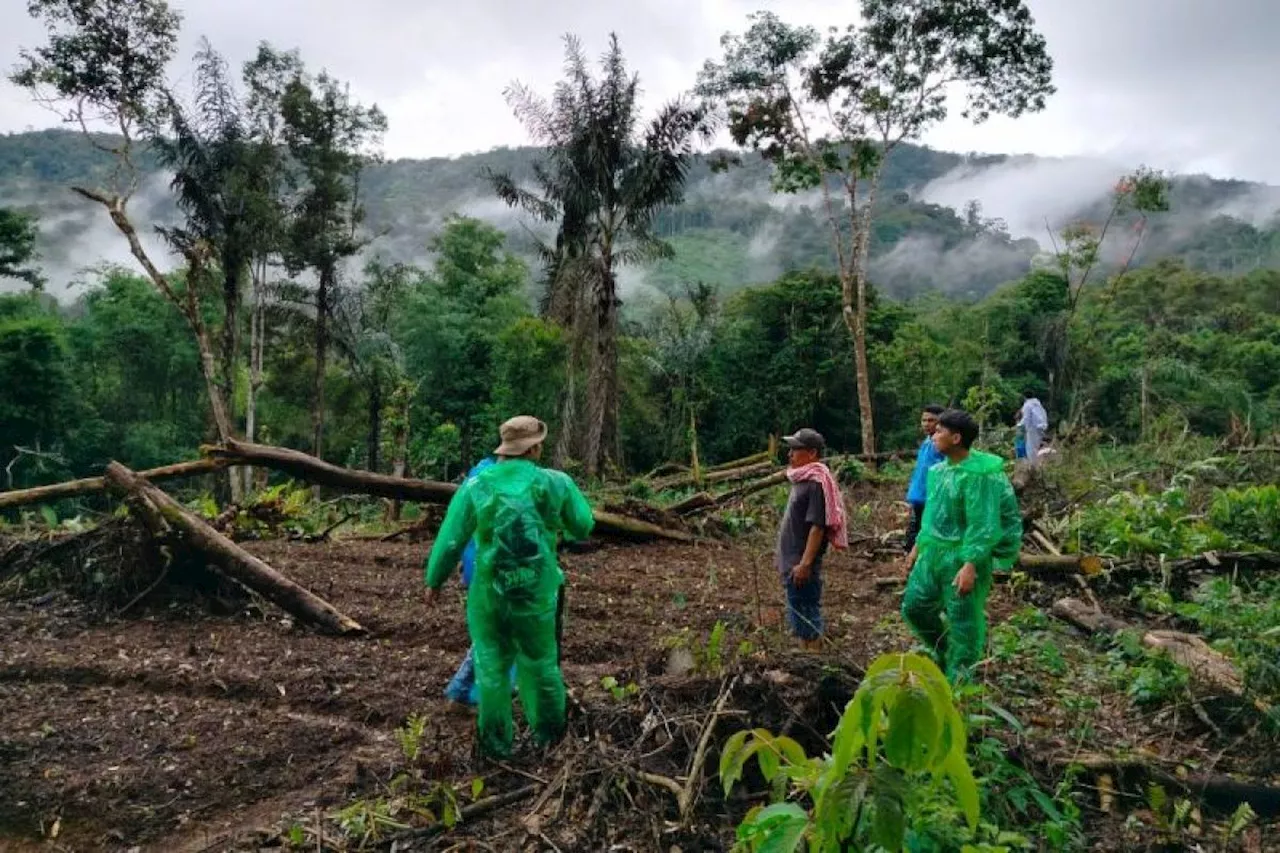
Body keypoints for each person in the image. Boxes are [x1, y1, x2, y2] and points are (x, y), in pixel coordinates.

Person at [423, 416, 594, 759]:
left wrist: (434, 580)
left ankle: (495, 745)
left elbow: (452, 538)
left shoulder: (477, 486)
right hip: (537, 594)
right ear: (534, 448)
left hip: (490, 596)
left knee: (491, 665)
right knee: (542, 662)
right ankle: (550, 740)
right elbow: (583, 525)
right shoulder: (554, 483)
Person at [901, 409, 1022, 683]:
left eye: (940, 431)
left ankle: (959, 684)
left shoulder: (980, 477)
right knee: (914, 607)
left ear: (956, 438)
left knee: (963, 621)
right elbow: (932, 514)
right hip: (934, 553)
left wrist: (970, 563)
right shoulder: (939, 472)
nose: (934, 434)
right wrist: (918, 547)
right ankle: (945, 651)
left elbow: (983, 524)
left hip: (964, 557)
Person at [443, 455, 515, 707]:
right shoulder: (508, 479)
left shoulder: (479, 473)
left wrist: (463, 558)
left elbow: (463, 525)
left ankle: (464, 691)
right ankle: (471, 694)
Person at [775, 428, 849, 650]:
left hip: (801, 562)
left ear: (812, 453)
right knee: (799, 611)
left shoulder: (817, 483)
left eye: (795, 450)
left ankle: (814, 660)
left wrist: (805, 563)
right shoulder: (803, 479)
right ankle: (806, 655)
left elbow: (818, 527)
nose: (790, 455)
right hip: (793, 560)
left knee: (807, 612)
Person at [905, 405, 946, 552]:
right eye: (924, 420)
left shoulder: (942, 445)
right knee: (915, 535)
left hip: (933, 498)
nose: (926, 424)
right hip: (919, 497)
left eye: (931, 420)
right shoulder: (927, 442)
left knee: (927, 537)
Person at [1018, 391, 1049, 465]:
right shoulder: (1038, 404)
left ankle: (1032, 465)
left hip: (1033, 427)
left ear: (1024, 397)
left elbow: (1026, 418)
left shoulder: (1027, 405)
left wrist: (1019, 426)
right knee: (1036, 445)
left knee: (1030, 447)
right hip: (1041, 426)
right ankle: (1035, 463)